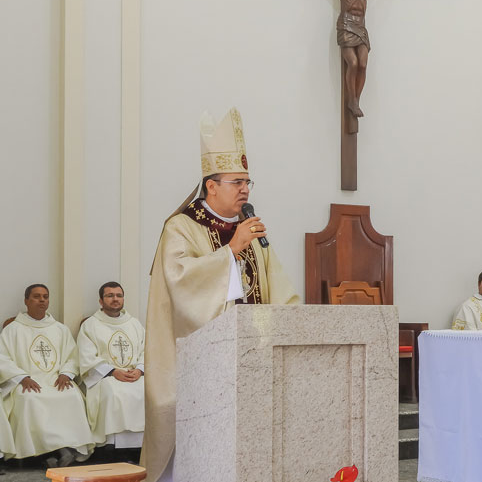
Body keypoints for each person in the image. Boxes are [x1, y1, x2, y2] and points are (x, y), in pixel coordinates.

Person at [142, 108, 300, 482]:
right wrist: (230, 251)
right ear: (211, 186)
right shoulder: (181, 227)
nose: (245, 189)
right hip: (198, 366)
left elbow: (279, 289)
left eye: (248, 182)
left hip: (250, 360)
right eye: (236, 182)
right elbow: (180, 282)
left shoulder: (250, 230)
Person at [292, 0, 400, 119]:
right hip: (346, 25)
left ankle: (356, 99)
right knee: (353, 63)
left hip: (361, 27)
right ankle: (352, 100)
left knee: (363, 64)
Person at [0, 284, 94, 466]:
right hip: (26, 381)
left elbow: (73, 356)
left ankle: (66, 449)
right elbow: (3, 358)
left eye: (45, 296)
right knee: (29, 400)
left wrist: (66, 374)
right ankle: (41, 454)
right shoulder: (12, 329)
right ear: (26, 301)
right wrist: (22, 377)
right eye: (36, 296)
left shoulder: (60, 329)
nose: (42, 300)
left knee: (72, 395)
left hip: (55, 378)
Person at [78, 281, 145, 449]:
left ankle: (141, 447)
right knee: (113, 392)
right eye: (110, 296)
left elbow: (148, 349)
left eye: (119, 295)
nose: (115, 299)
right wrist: (112, 371)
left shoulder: (134, 323)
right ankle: (113, 447)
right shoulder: (90, 325)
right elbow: (86, 357)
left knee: (147, 391)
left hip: (134, 373)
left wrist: (140, 370)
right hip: (105, 376)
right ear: (101, 301)